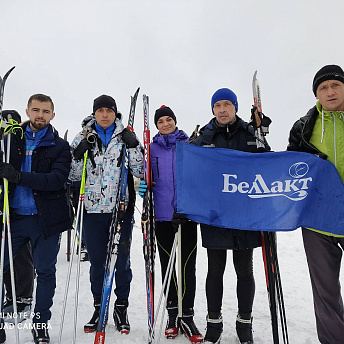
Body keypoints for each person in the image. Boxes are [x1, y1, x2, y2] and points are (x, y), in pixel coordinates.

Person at [192, 88, 270, 344]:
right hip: (215, 215)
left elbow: (267, 165)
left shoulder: (250, 133)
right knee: (215, 270)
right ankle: (213, 323)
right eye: (218, 105)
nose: (222, 109)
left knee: (244, 271)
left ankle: (244, 323)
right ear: (212, 109)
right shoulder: (203, 138)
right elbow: (191, 174)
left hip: (245, 215)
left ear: (235, 107)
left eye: (227, 104)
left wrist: (263, 135)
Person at [0, 94, 72, 344]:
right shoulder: (10, 140)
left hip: (47, 221)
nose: (40, 115)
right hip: (15, 218)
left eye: (45, 111)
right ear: (28, 111)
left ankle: (40, 324)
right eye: (36, 110)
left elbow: (55, 180)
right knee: (0, 269)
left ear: (53, 115)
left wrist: (18, 177)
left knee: (45, 272)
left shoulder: (60, 146)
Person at [69, 94, 143, 335]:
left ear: (114, 113)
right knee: (97, 264)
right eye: (99, 110)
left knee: (122, 263)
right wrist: (79, 154)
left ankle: (121, 307)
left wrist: (133, 146)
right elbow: (72, 175)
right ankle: (99, 306)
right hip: (92, 210)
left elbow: (139, 169)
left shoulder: (125, 136)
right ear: (94, 113)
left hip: (119, 210)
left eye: (108, 110)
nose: (104, 114)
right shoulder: (83, 136)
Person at [287, 64, 344, 344]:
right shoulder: (303, 126)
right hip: (318, 219)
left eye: (335, 85)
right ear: (316, 94)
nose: (330, 91)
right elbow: (289, 167)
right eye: (323, 87)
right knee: (325, 292)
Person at [139, 106, 203, 343]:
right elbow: (145, 177)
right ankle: (172, 314)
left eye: (169, 119)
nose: (165, 124)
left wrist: (188, 207)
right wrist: (143, 188)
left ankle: (187, 315)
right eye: (161, 121)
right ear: (156, 125)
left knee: (187, 266)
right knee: (168, 267)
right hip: (162, 217)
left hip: (186, 216)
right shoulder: (151, 148)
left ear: (175, 121)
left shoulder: (189, 145)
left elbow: (197, 178)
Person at [0, 110, 35, 322]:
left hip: (14, 204)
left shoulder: (18, 139)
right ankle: (9, 294)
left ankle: (21, 296)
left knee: (19, 253)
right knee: (4, 254)